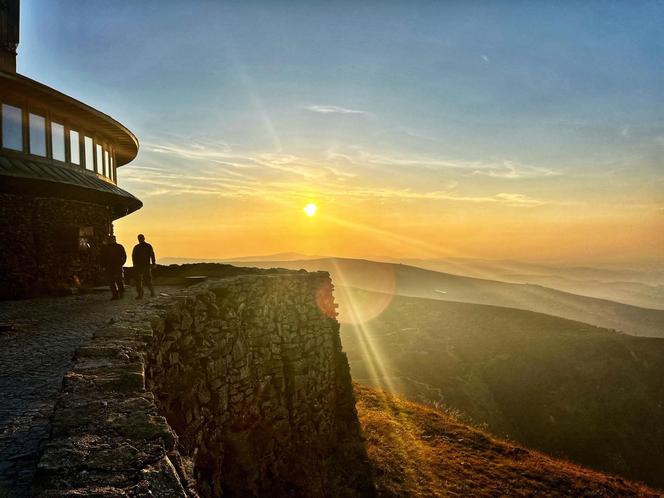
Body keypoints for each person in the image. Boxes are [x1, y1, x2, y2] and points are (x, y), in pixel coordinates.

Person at [100, 235, 127, 300]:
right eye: (110, 239)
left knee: (119, 281)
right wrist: (103, 266)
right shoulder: (105, 248)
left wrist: (121, 264)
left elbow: (124, 256)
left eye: (112, 239)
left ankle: (121, 293)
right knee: (111, 282)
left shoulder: (119, 247)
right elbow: (102, 257)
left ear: (115, 239)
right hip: (109, 267)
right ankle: (115, 295)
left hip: (117, 267)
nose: (111, 240)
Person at [132, 233, 156, 299]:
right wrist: (134, 264)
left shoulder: (147, 246)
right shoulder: (137, 247)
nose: (140, 239)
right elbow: (134, 256)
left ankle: (151, 292)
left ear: (143, 238)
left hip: (146, 266)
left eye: (141, 238)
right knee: (139, 281)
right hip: (139, 266)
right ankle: (141, 294)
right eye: (139, 238)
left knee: (147, 280)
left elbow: (152, 255)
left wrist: (153, 263)